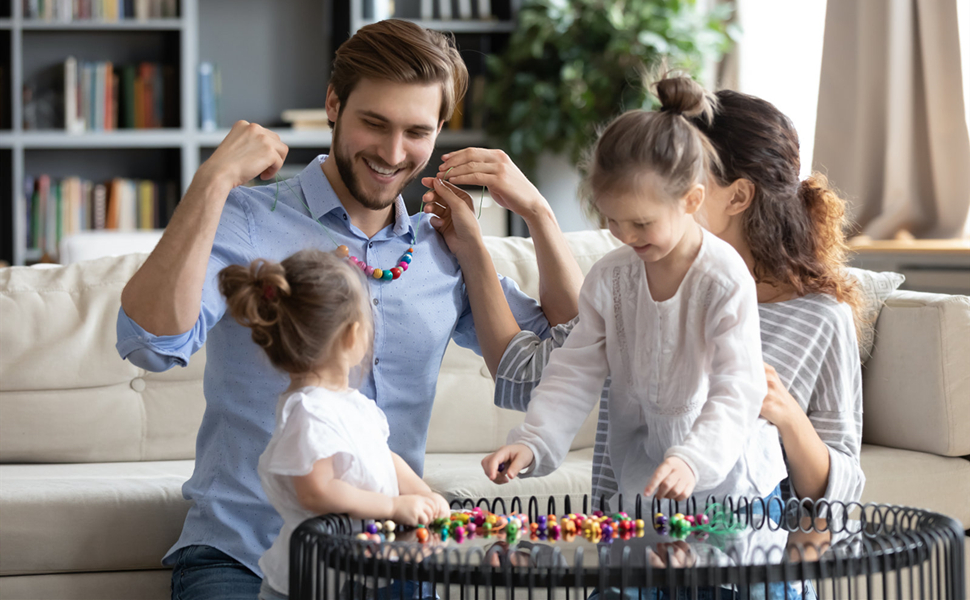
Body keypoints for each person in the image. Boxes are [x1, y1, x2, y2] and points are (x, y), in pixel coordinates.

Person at [115, 19, 571, 600]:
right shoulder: (248, 218)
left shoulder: (444, 247)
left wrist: (539, 214)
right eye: (374, 124)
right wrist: (211, 180)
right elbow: (151, 345)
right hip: (244, 555)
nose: (392, 152)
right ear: (334, 103)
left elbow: (563, 364)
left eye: (416, 132)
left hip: (388, 563)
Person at [430, 80, 865, 514]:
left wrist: (786, 417)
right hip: (636, 534)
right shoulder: (630, 271)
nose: (625, 231)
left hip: (743, 550)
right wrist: (535, 215)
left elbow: (837, 500)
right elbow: (548, 373)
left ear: (734, 195)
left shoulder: (818, 318)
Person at [218, 249, 450, 600]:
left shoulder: (352, 405)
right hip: (313, 580)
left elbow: (383, 458)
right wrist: (390, 507)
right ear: (351, 335)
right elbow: (315, 490)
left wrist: (422, 493)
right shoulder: (309, 412)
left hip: (358, 570)